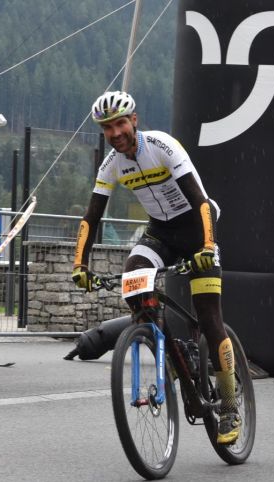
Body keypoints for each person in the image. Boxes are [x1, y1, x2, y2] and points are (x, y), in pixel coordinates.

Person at [71, 91, 241, 444]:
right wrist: (80, 264)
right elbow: (92, 216)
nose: (115, 132)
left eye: (120, 123)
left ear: (134, 120)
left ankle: (228, 406)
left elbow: (202, 202)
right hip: (160, 234)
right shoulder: (111, 165)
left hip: (196, 231)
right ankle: (171, 353)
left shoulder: (162, 146)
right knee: (134, 275)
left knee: (210, 318)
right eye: (107, 128)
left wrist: (208, 246)